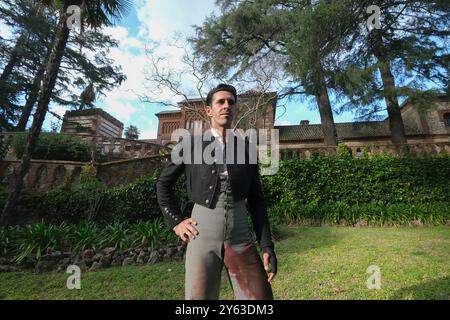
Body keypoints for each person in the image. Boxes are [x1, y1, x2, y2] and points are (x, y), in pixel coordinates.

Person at [156, 84, 277, 300]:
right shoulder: (189, 144)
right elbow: (163, 183)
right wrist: (176, 222)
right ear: (209, 110)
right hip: (202, 233)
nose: (226, 106)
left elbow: (257, 201)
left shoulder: (247, 148)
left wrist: (266, 244)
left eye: (231, 102)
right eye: (220, 102)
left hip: (240, 234)